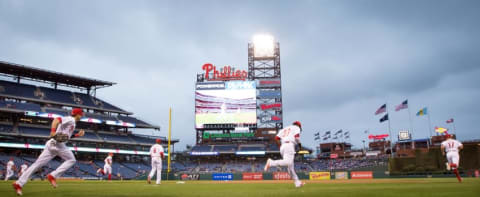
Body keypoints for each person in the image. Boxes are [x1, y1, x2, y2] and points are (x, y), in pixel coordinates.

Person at [13, 108, 85, 196]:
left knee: (36, 165)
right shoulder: (70, 119)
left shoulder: (72, 122)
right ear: (78, 114)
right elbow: (56, 119)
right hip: (58, 145)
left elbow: (65, 137)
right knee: (72, 160)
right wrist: (53, 131)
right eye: (81, 114)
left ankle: (18, 184)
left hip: (52, 144)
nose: (82, 115)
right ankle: (53, 176)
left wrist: (77, 135)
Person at [264, 121, 305, 188]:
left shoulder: (284, 129)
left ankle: (297, 183)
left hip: (283, 146)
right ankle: (271, 163)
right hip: (289, 145)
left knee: (290, 168)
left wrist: (280, 146)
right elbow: (297, 137)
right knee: (288, 163)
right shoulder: (296, 127)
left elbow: (276, 138)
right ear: (299, 125)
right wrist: (300, 145)